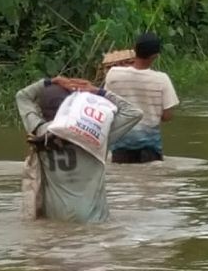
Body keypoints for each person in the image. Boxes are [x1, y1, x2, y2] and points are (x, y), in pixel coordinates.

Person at [16, 76, 143, 223]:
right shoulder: (96, 133)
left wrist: (51, 81)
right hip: (94, 219)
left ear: (42, 110)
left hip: (56, 218)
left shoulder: (38, 130)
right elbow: (134, 113)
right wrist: (97, 91)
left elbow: (22, 96)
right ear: (74, 107)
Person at [103, 32, 179, 163]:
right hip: (151, 150)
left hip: (120, 148)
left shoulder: (113, 74)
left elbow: (106, 106)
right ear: (155, 55)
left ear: (134, 49)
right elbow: (167, 116)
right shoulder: (162, 79)